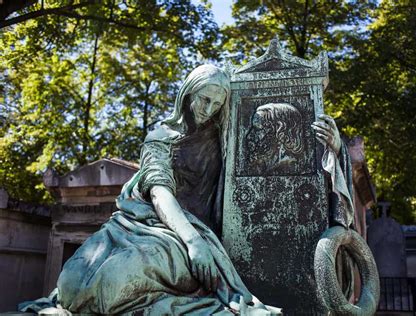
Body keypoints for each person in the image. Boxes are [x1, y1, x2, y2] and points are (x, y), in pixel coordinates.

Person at [55, 65, 279, 315]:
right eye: (204, 99)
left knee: (111, 282)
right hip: (148, 224)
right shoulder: (160, 137)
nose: (208, 109)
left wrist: (330, 148)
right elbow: (159, 192)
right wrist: (193, 242)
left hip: (186, 236)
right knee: (72, 283)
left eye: (217, 104)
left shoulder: (225, 136)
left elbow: (271, 155)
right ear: (187, 94)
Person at [245, 103, 304, 174]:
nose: (249, 136)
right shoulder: (259, 168)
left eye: (257, 129)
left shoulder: (292, 167)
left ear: (280, 131)